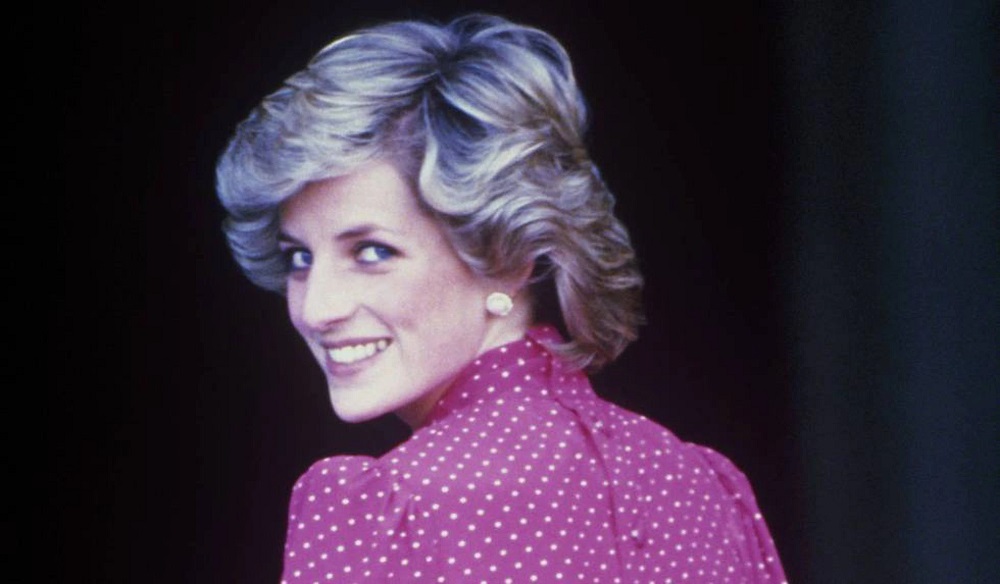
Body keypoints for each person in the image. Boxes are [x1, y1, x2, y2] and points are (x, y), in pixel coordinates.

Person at [216, 14, 787, 583]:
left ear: (510, 256)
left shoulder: (382, 512)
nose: (317, 309)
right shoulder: (702, 486)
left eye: (372, 252)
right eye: (299, 258)